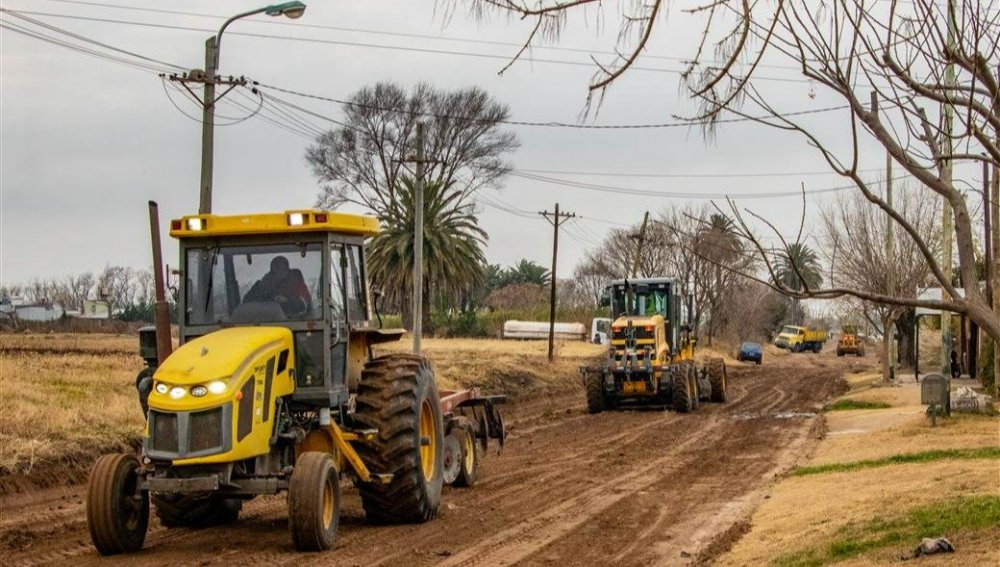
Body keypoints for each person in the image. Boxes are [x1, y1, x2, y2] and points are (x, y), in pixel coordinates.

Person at [243, 256, 311, 317]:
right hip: (265, 323)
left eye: (279, 268)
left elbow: (304, 305)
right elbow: (246, 303)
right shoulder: (265, 286)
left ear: (287, 270)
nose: (276, 273)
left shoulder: (297, 285)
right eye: (273, 271)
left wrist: (286, 300)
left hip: (294, 323)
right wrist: (260, 286)